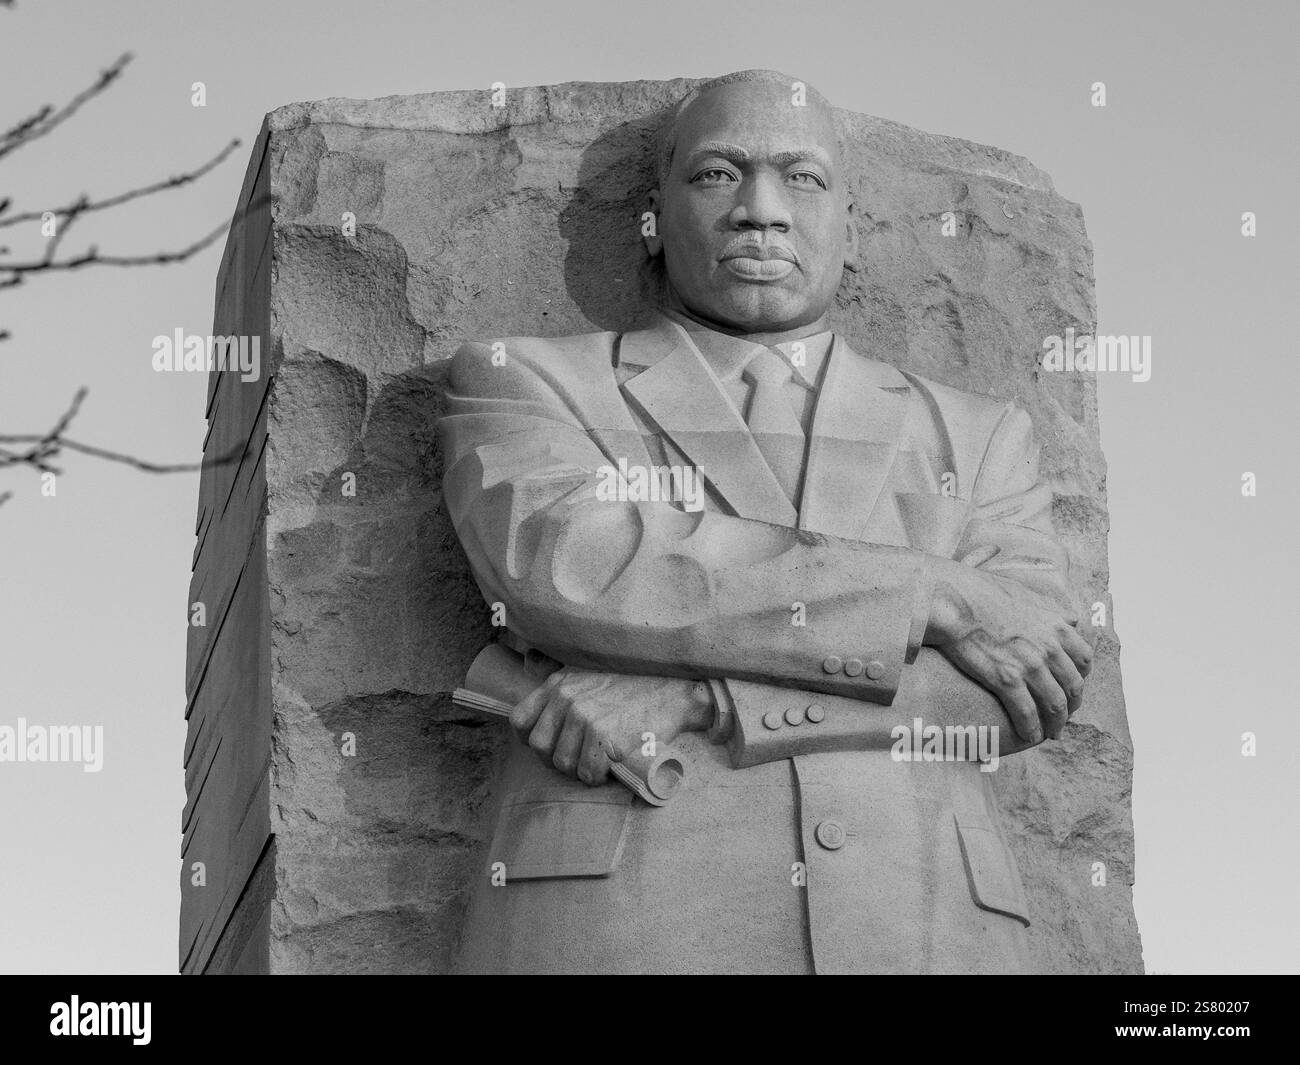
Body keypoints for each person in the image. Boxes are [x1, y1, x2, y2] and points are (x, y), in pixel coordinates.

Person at [438, 69, 1091, 973]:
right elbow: (582, 566)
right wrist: (936, 592)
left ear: (852, 229)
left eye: (804, 177)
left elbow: (1017, 691)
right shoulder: (530, 381)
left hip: (930, 926)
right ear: (653, 217)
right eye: (717, 174)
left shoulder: (980, 436)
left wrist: (707, 701)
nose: (761, 210)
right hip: (624, 922)